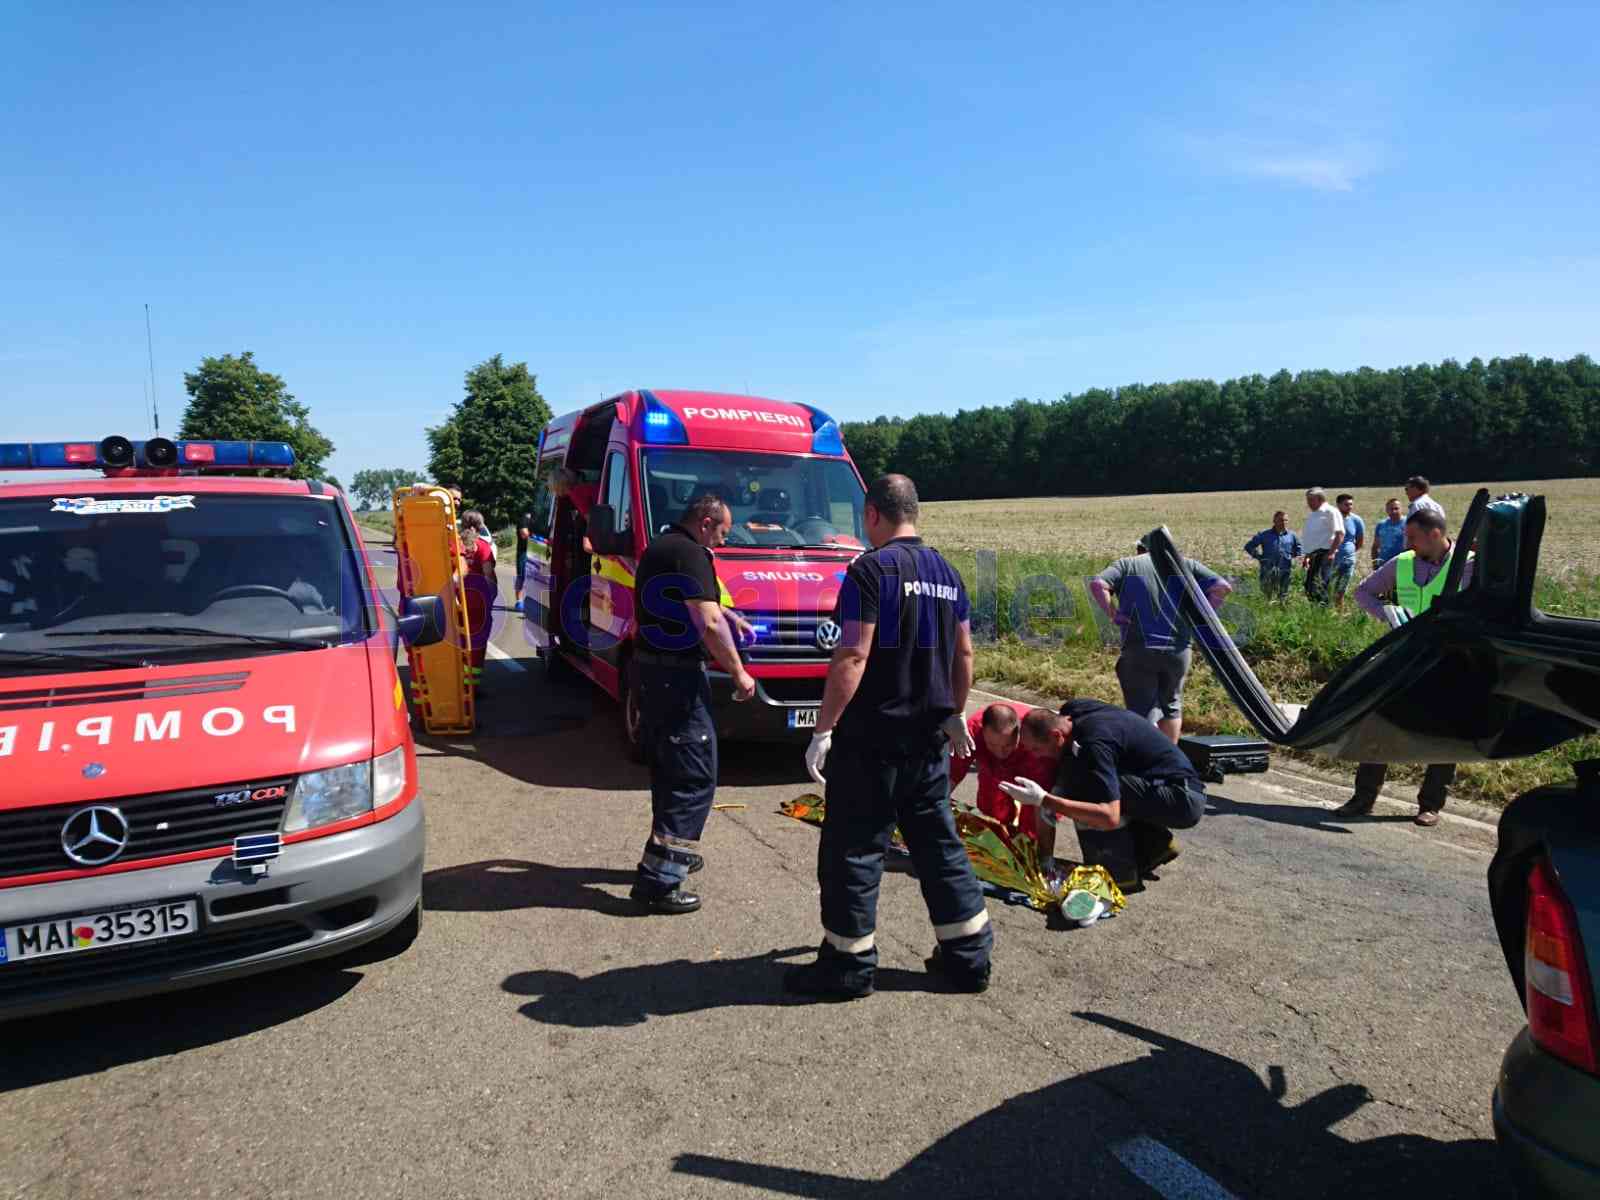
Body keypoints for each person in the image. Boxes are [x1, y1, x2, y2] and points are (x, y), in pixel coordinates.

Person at [786, 474, 992, 1000]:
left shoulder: (870, 570)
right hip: (927, 742)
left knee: (854, 851)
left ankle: (848, 966)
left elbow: (853, 656)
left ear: (873, 514)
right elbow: (964, 654)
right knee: (939, 847)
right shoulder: (947, 572)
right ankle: (969, 958)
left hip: (872, 742)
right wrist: (954, 712)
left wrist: (823, 728)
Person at [629, 493, 757, 913]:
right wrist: (738, 672)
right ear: (705, 522)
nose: (723, 540)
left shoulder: (663, 547)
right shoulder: (691, 554)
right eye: (722, 531)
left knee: (670, 772)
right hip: (677, 679)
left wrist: (729, 614)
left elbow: (694, 604)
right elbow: (708, 620)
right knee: (693, 777)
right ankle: (660, 881)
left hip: (652, 674)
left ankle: (669, 854)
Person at [1337, 508, 1475, 827]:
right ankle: (1363, 798)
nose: (1407, 543)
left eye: (1412, 537)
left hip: (1449, 661)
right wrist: (1388, 613)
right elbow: (1363, 592)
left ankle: (1431, 805)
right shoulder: (1402, 562)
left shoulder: (1469, 565)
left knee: (1444, 734)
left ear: (1435, 534)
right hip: (1404, 657)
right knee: (1379, 725)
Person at [1007, 701, 1205, 893]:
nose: (1036, 756)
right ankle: (1152, 847)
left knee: (1082, 785)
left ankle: (1117, 873)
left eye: (1036, 749)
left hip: (1183, 799)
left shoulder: (1094, 744)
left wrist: (1044, 800)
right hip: (1165, 784)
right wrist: (1045, 858)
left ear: (1056, 735)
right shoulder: (1073, 712)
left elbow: (1109, 816)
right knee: (1076, 772)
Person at [1089, 538, 1232, 745]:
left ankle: (1146, 756)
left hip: (1139, 648)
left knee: (1141, 709)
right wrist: (1201, 617)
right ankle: (1169, 755)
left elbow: (1098, 584)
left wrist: (1113, 613)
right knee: (1172, 706)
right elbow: (1222, 586)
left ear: (1139, 549)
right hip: (1179, 650)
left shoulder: (1127, 564)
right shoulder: (1187, 564)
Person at [948, 700, 1058, 848]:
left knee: (1031, 825)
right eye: (992, 745)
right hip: (992, 769)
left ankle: (1028, 849)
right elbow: (951, 775)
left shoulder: (1034, 740)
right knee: (991, 813)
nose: (1000, 753)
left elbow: (1043, 805)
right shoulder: (971, 732)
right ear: (982, 731)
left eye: (1008, 745)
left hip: (1028, 765)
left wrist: (1044, 853)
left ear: (1020, 734)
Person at [459, 511, 498, 682]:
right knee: (477, 642)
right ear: (478, 526)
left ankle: (459, 681)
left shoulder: (455, 544)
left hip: (457, 600)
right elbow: (488, 574)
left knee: (459, 640)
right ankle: (472, 684)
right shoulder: (482, 546)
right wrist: (491, 597)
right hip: (478, 602)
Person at [1299, 487, 1344, 604]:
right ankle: (1316, 610)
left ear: (1320, 499)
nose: (1308, 503)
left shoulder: (1330, 512)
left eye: (1311, 500)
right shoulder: (1313, 515)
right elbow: (1312, 537)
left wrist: (1331, 553)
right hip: (1313, 555)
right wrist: (1307, 556)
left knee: (1320, 586)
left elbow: (1340, 534)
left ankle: (1323, 610)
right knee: (1309, 586)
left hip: (1324, 554)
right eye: (1307, 500)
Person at [1244, 511, 1302, 602]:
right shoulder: (1264, 535)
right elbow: (1249, 546)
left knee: (1283, 596)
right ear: (1274, 521)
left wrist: (1292, 558)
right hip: (1268, 570)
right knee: (1267, 596)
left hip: (1285, 571)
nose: (1284, 522)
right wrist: (1259, 557)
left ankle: (1281, 609)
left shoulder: (1292, 535)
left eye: (1286, 520)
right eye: (1281, 520)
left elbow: (1299, 549)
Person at [1330, 494, 1366, 611]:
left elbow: (1360, 541)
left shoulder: (1357, 520)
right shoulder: (1330, 520)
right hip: (1332, 561)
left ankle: (1339, 613)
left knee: (1341, 590)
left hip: (1348, 561)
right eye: (1346, 504)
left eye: (1351, 504)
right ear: (1338, 505)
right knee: (1330, 588)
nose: (1349, 507)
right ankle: (1327, 613)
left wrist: (1349, 552)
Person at [1371, 497, 1406, 569]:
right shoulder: (1381, 525)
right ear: (1386, 510)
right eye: (1391, 509)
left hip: (1403, 565)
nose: (1394, 511)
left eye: (1396, 508)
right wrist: (1375, 563)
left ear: (1401, 509)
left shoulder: (1408, 523)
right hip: (1384, 565)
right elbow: (1375, 547)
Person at [513, 508, 533, 613]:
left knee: (530, 578)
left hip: (532, 552)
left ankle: (526, 601)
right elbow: (524, 534)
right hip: (523, 553)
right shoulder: (524, 519)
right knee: (521, 576)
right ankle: (519, 602)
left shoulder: (535, 521)